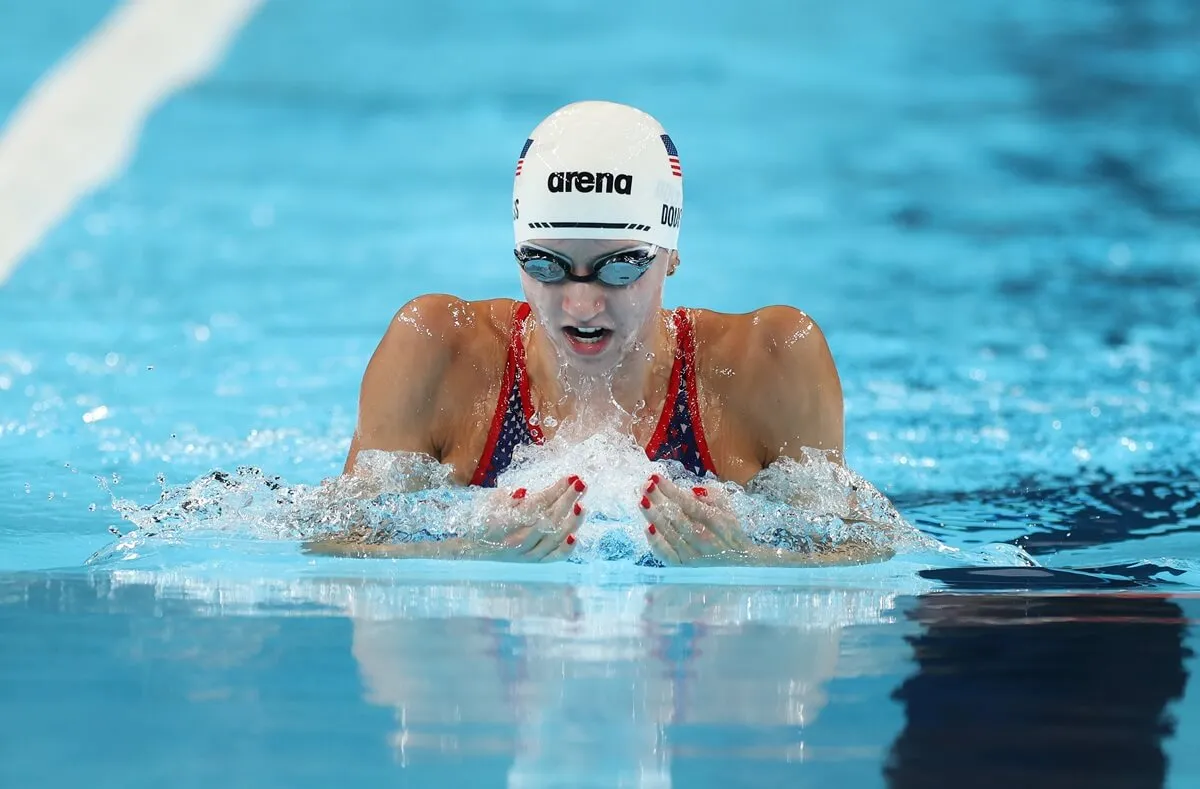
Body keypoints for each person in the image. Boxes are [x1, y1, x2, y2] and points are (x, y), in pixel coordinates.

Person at [308, 100, 895, 566]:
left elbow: (867, 551)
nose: (581, 303)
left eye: (619, 267)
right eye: (546, 265)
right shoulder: (436, 349)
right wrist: (465, 548)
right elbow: (332, 542)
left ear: (670, 255)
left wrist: (747, 558)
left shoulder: (770, 361)